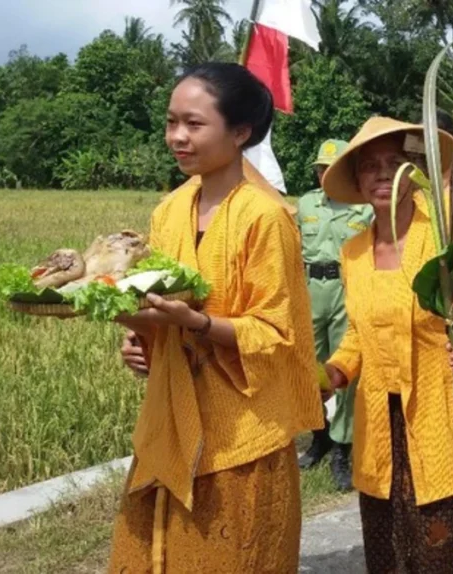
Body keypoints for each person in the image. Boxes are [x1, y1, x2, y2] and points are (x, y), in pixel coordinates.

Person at [111, 63, 323, 573]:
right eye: (171, 122)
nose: (177, 137)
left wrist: (197, 324)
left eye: (193, 124)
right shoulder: (169, 211)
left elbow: (274, 331)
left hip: (240, 429)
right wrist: (143, 337)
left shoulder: (265, 216)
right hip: (172, 415)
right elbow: (155, 298)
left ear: (241, 132)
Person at [322, 117, 453, 572]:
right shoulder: (353, 252)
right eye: (370, 166)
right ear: (358, 180)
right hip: (381, 418)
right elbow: (358, 334)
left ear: (415, 171)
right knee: (385, 543)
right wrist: (334, 373)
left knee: (442, 541)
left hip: (440, 412)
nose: (383, 174)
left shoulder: (444, 242)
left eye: (396, 163)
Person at [295, 140, 373, 487]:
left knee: (343, 369)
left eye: (330, 167)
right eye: (319, 167)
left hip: (347, 290)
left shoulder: (365, 208)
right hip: (311, 290)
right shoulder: (306, 203)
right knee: (307, 367)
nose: (323, 173)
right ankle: (320, 434)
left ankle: (343, 445)